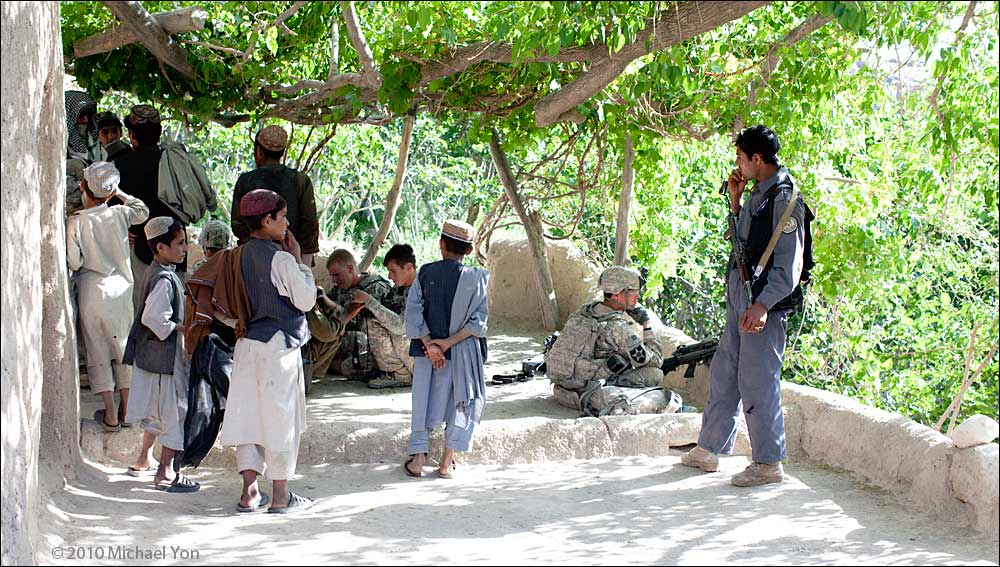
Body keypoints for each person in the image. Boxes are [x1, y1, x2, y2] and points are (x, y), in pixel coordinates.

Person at [680, 125, 806, 487]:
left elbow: (788, 266)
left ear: (756, 158)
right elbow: (746, 243)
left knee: (758, 380)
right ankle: (709, 449)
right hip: (742, 295)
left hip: (763, 302)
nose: (736, 163)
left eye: (740, 157)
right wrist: (735, 203)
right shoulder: (758, 193)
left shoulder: (785, 199)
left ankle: (768, 463)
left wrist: (764, 305)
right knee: (726, 370)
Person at [218, 189, 317, 514]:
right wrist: (301, 261)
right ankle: (280, 496)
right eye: (282, 216)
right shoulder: (282, 259)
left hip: (247, 346)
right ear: (267, 220)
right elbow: (305, 300)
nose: (286, 222)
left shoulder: (236, 255)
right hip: (279, 349)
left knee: (249, 418)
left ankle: (249, 493)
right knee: (281, 419)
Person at [403, 220, 489, 479]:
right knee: (459, 404)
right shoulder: (476, 278)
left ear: (441, 244)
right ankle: (446, 462)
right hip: (461, 356)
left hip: (427, 355)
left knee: (422, 402)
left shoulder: (426, 273)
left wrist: (431, 345)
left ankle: (418, 459)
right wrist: (447, 344)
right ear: (470, 250)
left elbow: (413, 313)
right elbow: (479, 323)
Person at [67, 162, 149, 432]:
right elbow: (142, 211)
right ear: (110, 192)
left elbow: (75, 262)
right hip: (120, 291)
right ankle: (127, 409)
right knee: (122, 350)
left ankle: (111, 414)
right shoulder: (119, 214)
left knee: (97, 350)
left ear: (83, 187)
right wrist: (119, 193)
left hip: (92, 291)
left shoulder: (76, 222)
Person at [122, 217, 199, 492]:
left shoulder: (157, 271)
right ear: (161, 247)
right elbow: (154, 317)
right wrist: (182, 326)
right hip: (164, 358)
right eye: (179, 243)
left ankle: (143, 459)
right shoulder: (165, 279)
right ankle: (165, 472)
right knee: (173, 411)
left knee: (157, 410)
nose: (185, 248)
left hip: (152, 356)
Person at [545, 266, 668, 416]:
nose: (638, 296)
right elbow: (655, 360)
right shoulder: (616, 327)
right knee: (654, 374)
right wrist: (647, 326)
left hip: (563, 389)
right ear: (617, 295)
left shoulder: (584, 312)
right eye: (633, 291)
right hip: (588, 394)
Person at [114, 104, 189, 311]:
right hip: (177, 249)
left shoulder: (121, 167)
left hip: (141, 252)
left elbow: (113, 212)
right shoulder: (176, 163)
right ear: (159, 133)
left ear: (131, 135)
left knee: (144, 311)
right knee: (175, 312)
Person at [230, 125, 320, 267]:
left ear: (259, 152)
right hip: (291, 261)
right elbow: (310, 228)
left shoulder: (245, 181)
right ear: (282, 153)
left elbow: (238, 226)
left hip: (253, 261)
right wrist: (304, 268)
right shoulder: (301, 180)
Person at [352, 243, 418, 390]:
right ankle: (394, 371)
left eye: (393, 271)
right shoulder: (399, 288)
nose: (389, 276)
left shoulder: (418, 290)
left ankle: (399, 374)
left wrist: (369, 301)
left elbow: (401, 327)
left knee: (385, 325)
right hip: (410, 352)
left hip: (421, 356)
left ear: (408, 267)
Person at [324, 249, 392, 381]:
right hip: (349, 342)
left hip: (371, 345)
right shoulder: (339, 290)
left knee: (342, 360)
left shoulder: (375, 287)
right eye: (332, 276)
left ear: (350, 268)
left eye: (337, 275)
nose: (334, 280)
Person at [65, 90, 101, 216]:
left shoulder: (98, 147)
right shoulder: (60, 146)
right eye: (81, 115)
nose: (85, 120)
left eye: (88, 115)